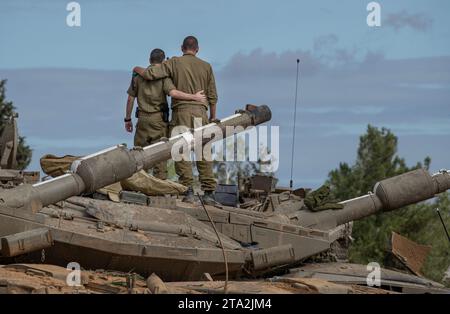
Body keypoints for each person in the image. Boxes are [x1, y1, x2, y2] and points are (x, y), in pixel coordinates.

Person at [132, 36, 218, 204]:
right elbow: (213, 96)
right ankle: (209, 193)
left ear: (181, 48)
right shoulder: (207, 66)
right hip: (202, 112)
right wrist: (212, 116)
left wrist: (136, 68)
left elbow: (151, 74)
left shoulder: (174, 63)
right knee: (203, 151)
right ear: (197, 49)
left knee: (182, 151)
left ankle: (188, 191)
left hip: (181, 112)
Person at [125, 48, 206, 180]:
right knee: (159, 158)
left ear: (149, 60)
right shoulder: (164, 77)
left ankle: (138, 186)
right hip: (158, 121)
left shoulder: (137, 77)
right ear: (163, 62)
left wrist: (127, 119)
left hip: (142, 120)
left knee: (139, 155)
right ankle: (159, 191)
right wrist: (194, 97)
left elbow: (130, 99)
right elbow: (173, 93)